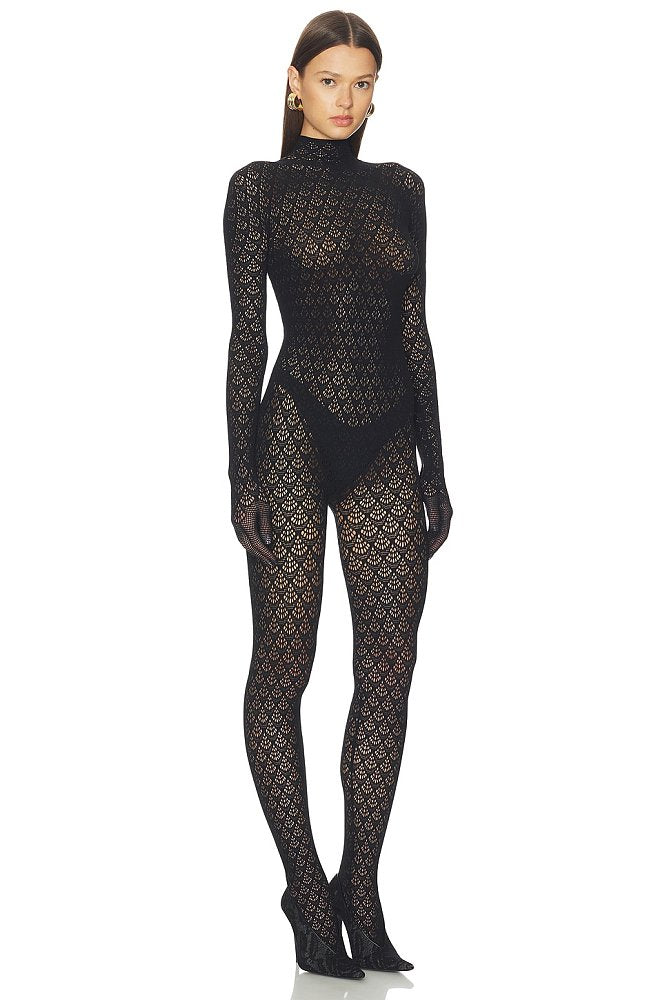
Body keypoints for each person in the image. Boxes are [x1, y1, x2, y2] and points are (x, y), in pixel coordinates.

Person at [223, 11, 453, 982]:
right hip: (293, 428)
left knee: (389, 667)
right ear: (294, 84)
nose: (346, 99)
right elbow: (246, 333)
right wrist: (237, 470)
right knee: (286, 663)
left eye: (362, 82)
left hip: (386, 431)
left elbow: (415, 329)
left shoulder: (403, 189)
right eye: (329, 81)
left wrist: (436, 464)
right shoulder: (258, 188)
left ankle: (358, 886)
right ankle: (304, 892)